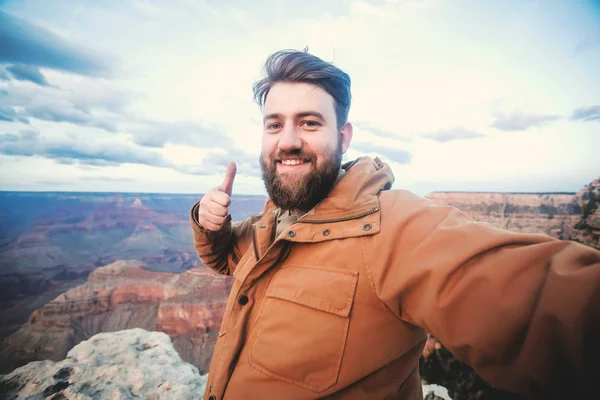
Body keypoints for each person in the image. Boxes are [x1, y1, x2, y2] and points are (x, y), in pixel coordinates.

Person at [190, 49, 600, 400]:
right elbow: (226, 259)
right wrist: (211, 225)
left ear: (344, 136)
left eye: (310, 122)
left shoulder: (396, 226)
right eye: (274, 124)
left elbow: (544, 304)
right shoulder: (270, 222)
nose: (289, 139)